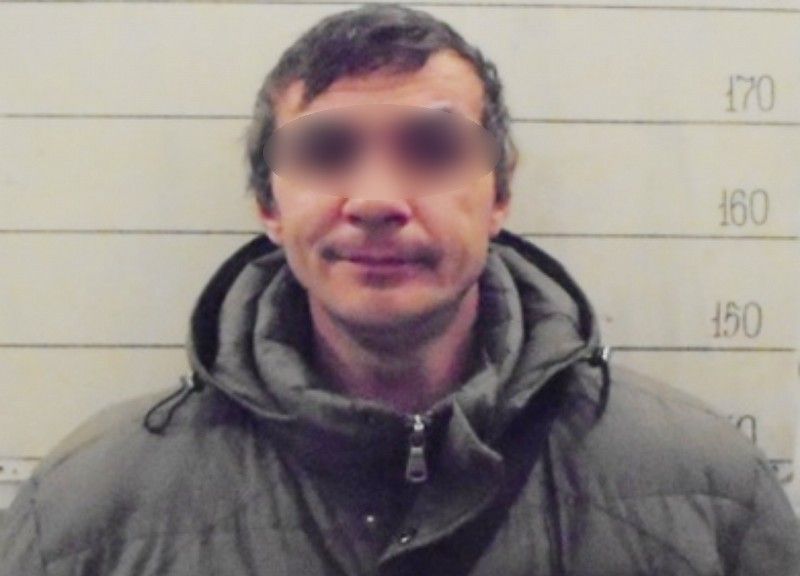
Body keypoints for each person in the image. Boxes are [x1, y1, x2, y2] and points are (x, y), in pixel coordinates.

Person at [1, 4, 798, 575]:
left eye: (432, 147)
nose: (378, 198)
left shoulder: (710, 492)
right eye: (326, 150)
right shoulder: (86, 515)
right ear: (270, 207)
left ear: (499, 196)